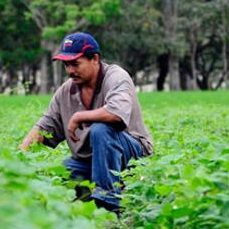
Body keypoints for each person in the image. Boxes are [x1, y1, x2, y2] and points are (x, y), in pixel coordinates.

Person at [18, 32, 153, 212]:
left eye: (75, 63)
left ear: (94, 59)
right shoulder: (65, 92)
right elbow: (43, 128)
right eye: (66, 65)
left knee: (101, 130)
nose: (70, 70)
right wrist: (16, 163)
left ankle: (108, 205)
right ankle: (81, 205)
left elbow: (117, 114)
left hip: (131, 155)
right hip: (90, 160)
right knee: (57, 176)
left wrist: (79, 116)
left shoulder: (115, 77)